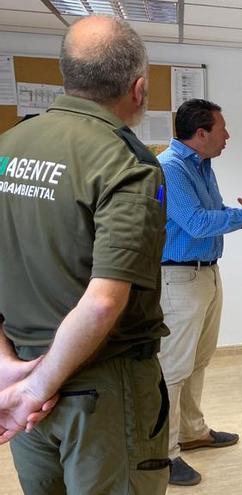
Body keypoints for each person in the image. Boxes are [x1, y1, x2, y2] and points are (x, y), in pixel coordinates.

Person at [0, 15, 170, 493]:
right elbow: (102, 301)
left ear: (67, 75)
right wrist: (36, 387)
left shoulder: (8, 147)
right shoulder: (128, 163)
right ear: (138, 89)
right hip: (102, 391)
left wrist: (11, 370)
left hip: (23, 379)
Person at [158, 99, 242, 485]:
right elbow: (198, 223)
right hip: (178, 279)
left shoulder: (202, 165)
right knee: (172, 369)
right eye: (222, 128)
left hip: (206, 274)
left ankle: (192, 431)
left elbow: (209, 215)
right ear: (201, 134)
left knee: (197, 360)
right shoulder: (171, 168)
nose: (227, 135)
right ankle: (164, 456)